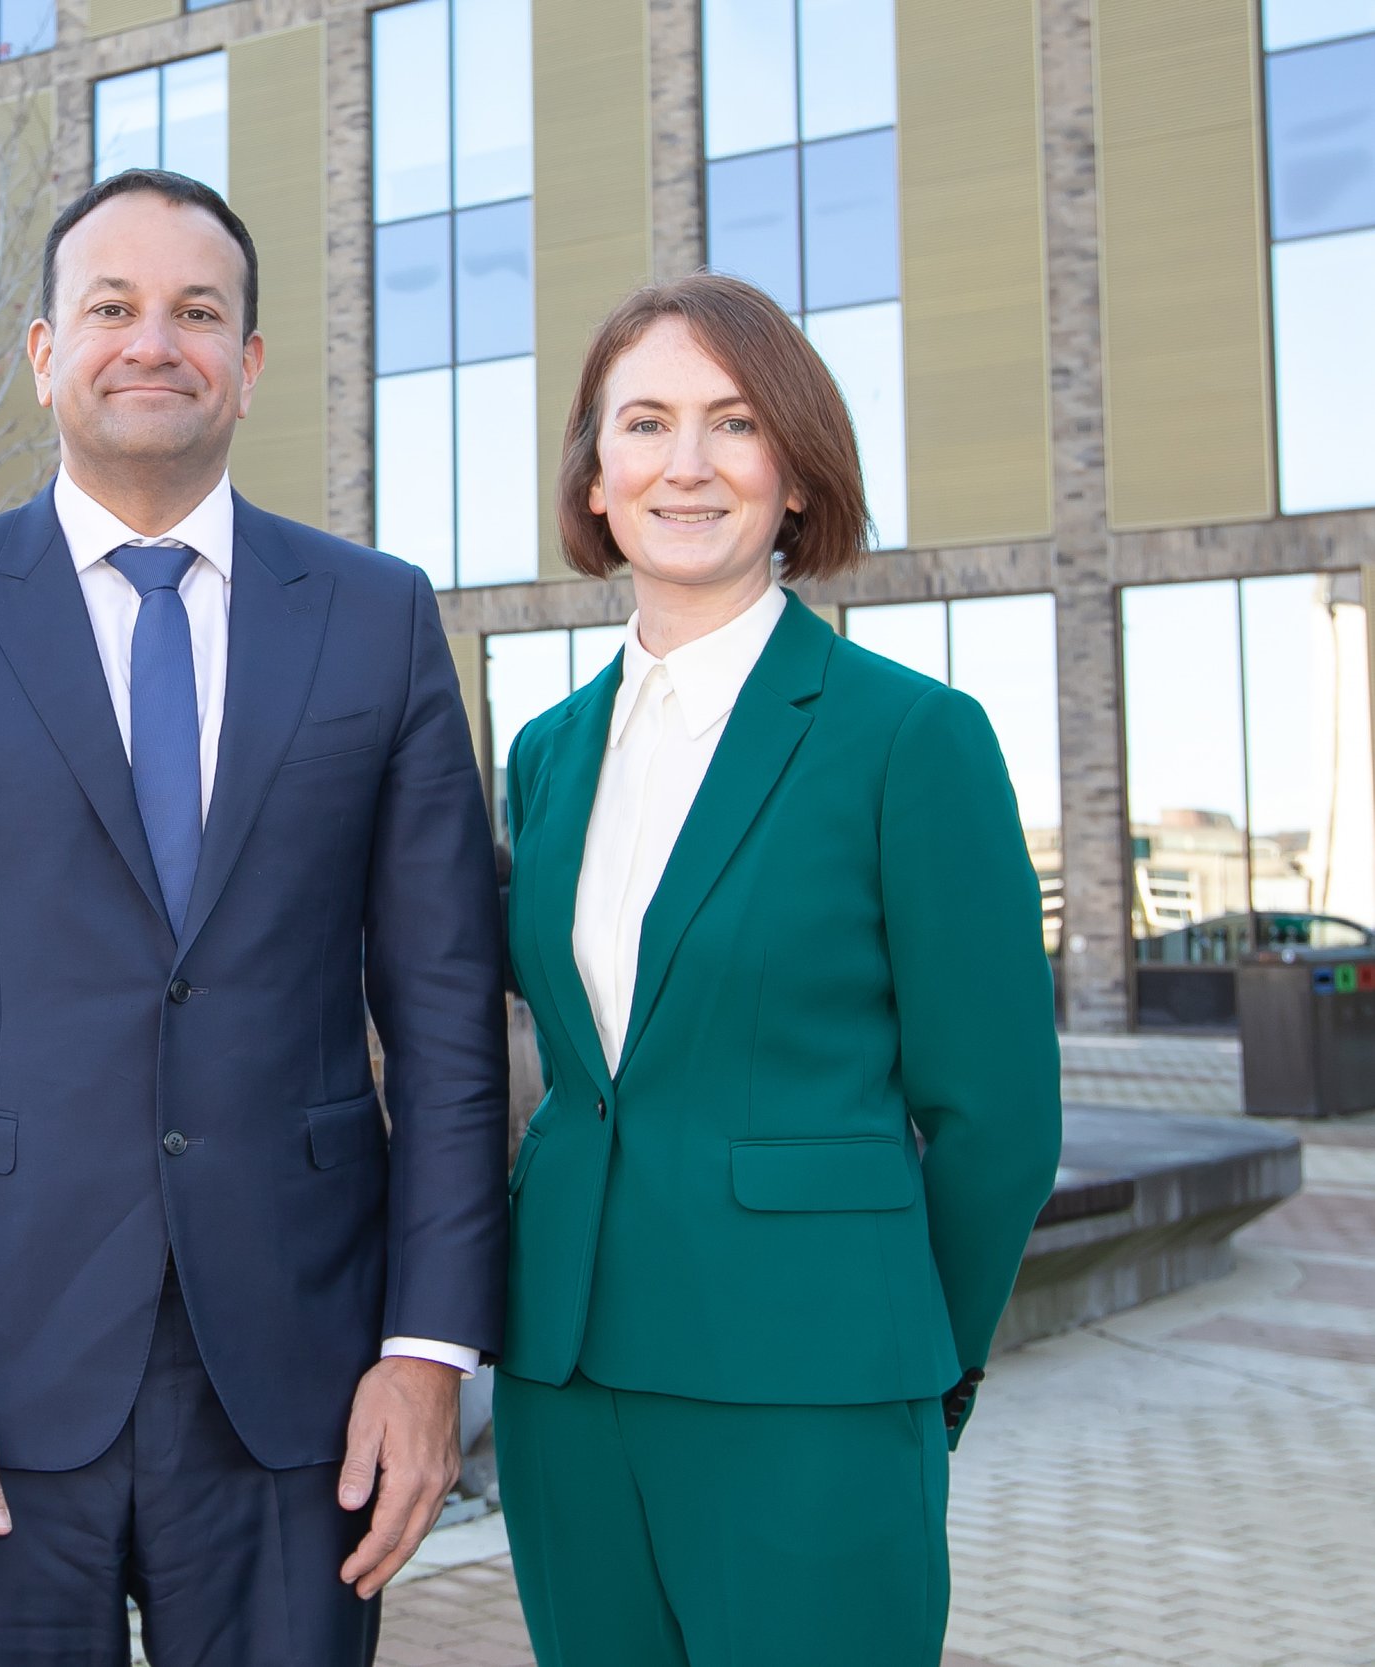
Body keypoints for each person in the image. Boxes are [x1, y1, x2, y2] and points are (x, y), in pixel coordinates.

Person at [0, 169, 508, 1667]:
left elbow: (446, 1015)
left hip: (301, 1381)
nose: (152, 342)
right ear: (47, 353)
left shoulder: (376, 615)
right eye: (111, 307)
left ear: (248, 363)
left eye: (198, 311)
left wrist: (429, 1352)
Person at [491, 272, 1063, 1667]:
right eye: (645, 424)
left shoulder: (909, 739)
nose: (685, 464)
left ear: (795, 478)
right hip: (563, 1381)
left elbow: (997, 1118)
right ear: (598, 476)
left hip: (811, 1379)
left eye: (733, 424)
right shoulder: (546, 755)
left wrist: (925, 1353)